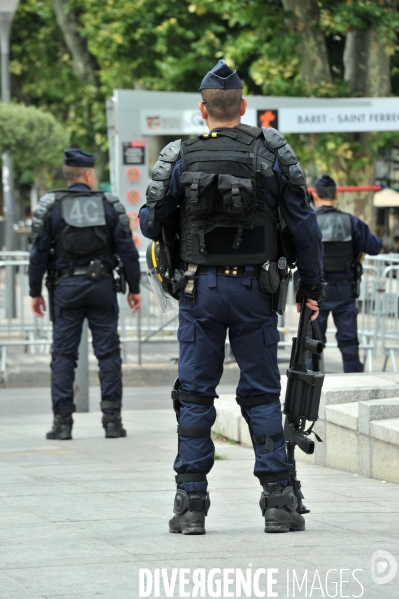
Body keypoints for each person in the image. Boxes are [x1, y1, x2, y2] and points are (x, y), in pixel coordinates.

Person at [140, 60, 324, 535]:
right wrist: (312, 288)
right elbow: (304, 223)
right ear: (243, 107)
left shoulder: (180, 155)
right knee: (262, 393)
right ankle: (279, 503)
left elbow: (150, 223)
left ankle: (190, 506)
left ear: (203, 110)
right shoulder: (271, 152)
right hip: (254, 291)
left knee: (195, 393)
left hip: (199, 290)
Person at [29, 149, 142, 440]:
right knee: (108, 354)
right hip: (103, 287)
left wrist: (33, 292)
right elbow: (127, 250)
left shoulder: (52, 205)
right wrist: (134, 288)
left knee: (64, 355)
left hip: (66, 288)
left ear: (68, 176)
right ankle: (113, 422)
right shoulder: (108, 204)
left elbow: (38, 251)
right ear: (89, 175)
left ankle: (62, 424)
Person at [312, 173, 382, 373]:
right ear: (336, 196)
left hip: (315, 291)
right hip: (345, 289)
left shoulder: (309, 222)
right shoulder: (352, 222)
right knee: (349, 344)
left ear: (315, 195)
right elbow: (375, 247)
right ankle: (354, 389)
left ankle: (309, 394)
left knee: (312, 344)